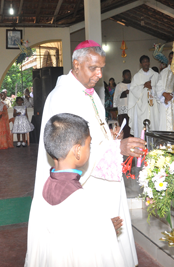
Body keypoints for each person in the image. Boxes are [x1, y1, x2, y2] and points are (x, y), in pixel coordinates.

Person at [25, 40, 146, 267]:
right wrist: (117, 148)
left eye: (101, 68)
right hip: (82, 183)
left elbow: (91, 131)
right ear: (76, 64)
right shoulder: (64, 96)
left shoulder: (87, 92)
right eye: (93, 68)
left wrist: (109, 136)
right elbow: (69, 146)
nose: (99, 74)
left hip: (100, 172)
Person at [29, 113, 124, 266]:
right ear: (77, 151)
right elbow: (89, 254)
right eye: (89, 145)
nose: (90, 149)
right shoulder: (82, 201)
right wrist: (107, 231)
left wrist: (103, 226)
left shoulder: (43, 188)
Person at [128, 55, 161, 137]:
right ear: (141, 64)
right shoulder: (136, 76)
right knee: (141, 125)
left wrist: (152, 87)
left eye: (147, 61)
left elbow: (161, 89)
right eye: (144, 62)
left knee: (154, 123)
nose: (146, 63)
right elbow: (132, 90)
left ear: (149, 62)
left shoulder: (156, 75)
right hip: (141, 107)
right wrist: (143, 85)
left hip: (154, 107)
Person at [157, 51, 174, 131]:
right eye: (171, 58)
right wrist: (164, 94)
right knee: (164, 124)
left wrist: (171, 95)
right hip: (164, 101)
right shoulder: (163, 72)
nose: (172, 60)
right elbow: (158, 86)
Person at [113, 70, 132, 138]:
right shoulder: (119, 85)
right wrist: (124, 93)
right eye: (127, 74)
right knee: (124, 127)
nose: (129, 76)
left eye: (129, 74)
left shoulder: (133, 84)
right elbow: (116, 97)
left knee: (131, 127)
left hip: (131, 108)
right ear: (123, 76)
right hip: (123, 109)